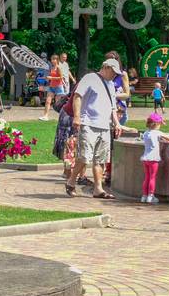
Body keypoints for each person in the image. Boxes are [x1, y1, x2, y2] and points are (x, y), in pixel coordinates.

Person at [68, 58, 122, 198]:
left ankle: (98, 189)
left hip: (104, 126)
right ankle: (71, 181)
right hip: (88, 123)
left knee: (101, 159)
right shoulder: (90, 78)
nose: (115, 75)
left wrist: (117, 123)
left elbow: (113, 107)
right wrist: (77, 116)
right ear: (106, 67)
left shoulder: (110, 85)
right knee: (84, 157)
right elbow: (77, 97)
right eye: (113, 72)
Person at [140, 113, 169, 203]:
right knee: (152, 177)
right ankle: (151, 196)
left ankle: (144, 196)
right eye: (160, 124)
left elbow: (152, 141)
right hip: (153, 159)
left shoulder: (146, 133)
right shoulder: (157, 133)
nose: (160, 126)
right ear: (156, 124)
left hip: (145, 158)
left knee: (147, 177)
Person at [43, 54, 64, 120]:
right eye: (52, 59)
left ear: (57, 60)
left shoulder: (58, 68)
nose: (52, 60)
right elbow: (51, 77)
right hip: (51, 87)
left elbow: (61, 77)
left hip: (58, 87)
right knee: (48, 101)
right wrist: (47, 78)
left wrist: (51, 77)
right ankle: (45, 116)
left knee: (58, 104)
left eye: (54, 59)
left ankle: (61, 117)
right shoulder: (52, 68)